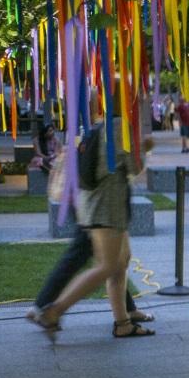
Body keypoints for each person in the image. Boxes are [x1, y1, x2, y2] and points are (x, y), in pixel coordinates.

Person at [31, 131, 156, 339]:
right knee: (107, 266)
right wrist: (145, 148)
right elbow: (135, 168)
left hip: (97, 205)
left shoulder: (99, 127)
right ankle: (54, 311)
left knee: (121, 261)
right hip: (106, 208)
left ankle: (124, 320)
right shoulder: (117, 128)